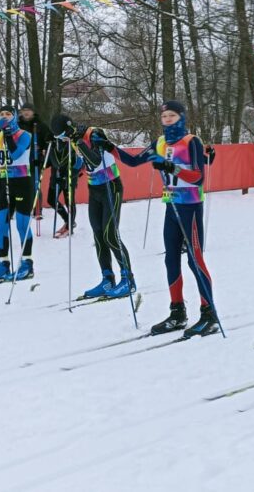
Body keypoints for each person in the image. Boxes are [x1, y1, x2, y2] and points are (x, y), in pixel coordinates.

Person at [119, 100, 219, 338]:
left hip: (190, 207)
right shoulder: (160, 143)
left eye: (172, 117)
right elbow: (133, 162)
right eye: (164, 118)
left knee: (195, 260)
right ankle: (177, 313)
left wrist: (169, 167)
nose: (167, 121)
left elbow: (197, 177)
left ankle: (209, 315)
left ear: (181, 118)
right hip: (171, 207)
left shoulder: (191, 141)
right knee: (171, 259)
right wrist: (107, 147)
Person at [53, 114, 136, 299]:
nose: (63, 140)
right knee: (98, 234)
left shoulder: (94, 134)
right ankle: (107, 278)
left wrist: (80, 143)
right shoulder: (74, 140)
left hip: (111, 186)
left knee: (110, 234)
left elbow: (96, 160)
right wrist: (72, 172)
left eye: (62, 136)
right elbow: (85, 162)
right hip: (95, 188)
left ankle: (128, 279)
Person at [0, 104, 36, 282]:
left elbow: (16, 154)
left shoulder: (25, 135)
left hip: (23, 183)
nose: (4, 116)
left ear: (15, 116)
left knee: (21, 224)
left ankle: (27, 263)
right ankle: (3, 264)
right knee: (0, 225)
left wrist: (9, 134)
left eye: (8, 114)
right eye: (1, 114)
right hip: (6, 184)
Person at [18, 102, 52, 220]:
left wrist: (44, 150)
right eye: (24, 110)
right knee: (20, 186)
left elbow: (49, 141)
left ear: (33, 112)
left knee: (34, 185)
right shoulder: (17, 125)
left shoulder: (40, 126)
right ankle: (21, 209)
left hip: (35, 160)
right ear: (21, 112)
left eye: (29, 110)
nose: (26, 112)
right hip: (19, 160)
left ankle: (37, 210)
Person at [46, 140, 80, 237]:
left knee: (69, 201)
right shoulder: (53, 143)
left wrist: (66, 177)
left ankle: (70, 227)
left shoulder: (73, 144)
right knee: (51, 199)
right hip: (55, 177)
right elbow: (48, 162)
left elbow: (78, 164)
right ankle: (68, 220)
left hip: (68, 178)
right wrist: (39, 161)